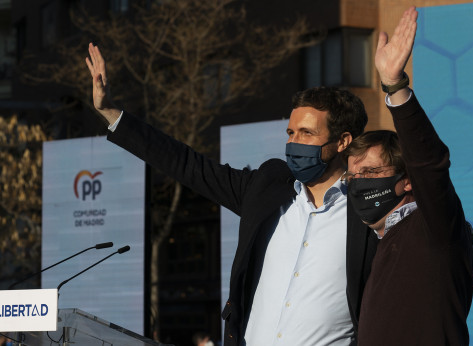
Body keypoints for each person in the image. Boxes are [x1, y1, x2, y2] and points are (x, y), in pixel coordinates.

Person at [85, 36, 378, 346]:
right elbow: (187, 165)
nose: (293, 143)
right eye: (291, 132)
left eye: (306, 133)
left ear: (343, 141)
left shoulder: (371, 213)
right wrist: (112, 114)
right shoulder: (268, 189)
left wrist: (396, 89)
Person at [344, 6, 473, 345]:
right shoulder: (382, 245)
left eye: (371, 171)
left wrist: (395, 87)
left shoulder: (433, 228)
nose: (359, 183)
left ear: (406, 180)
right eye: (352, 177)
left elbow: (429, 164)